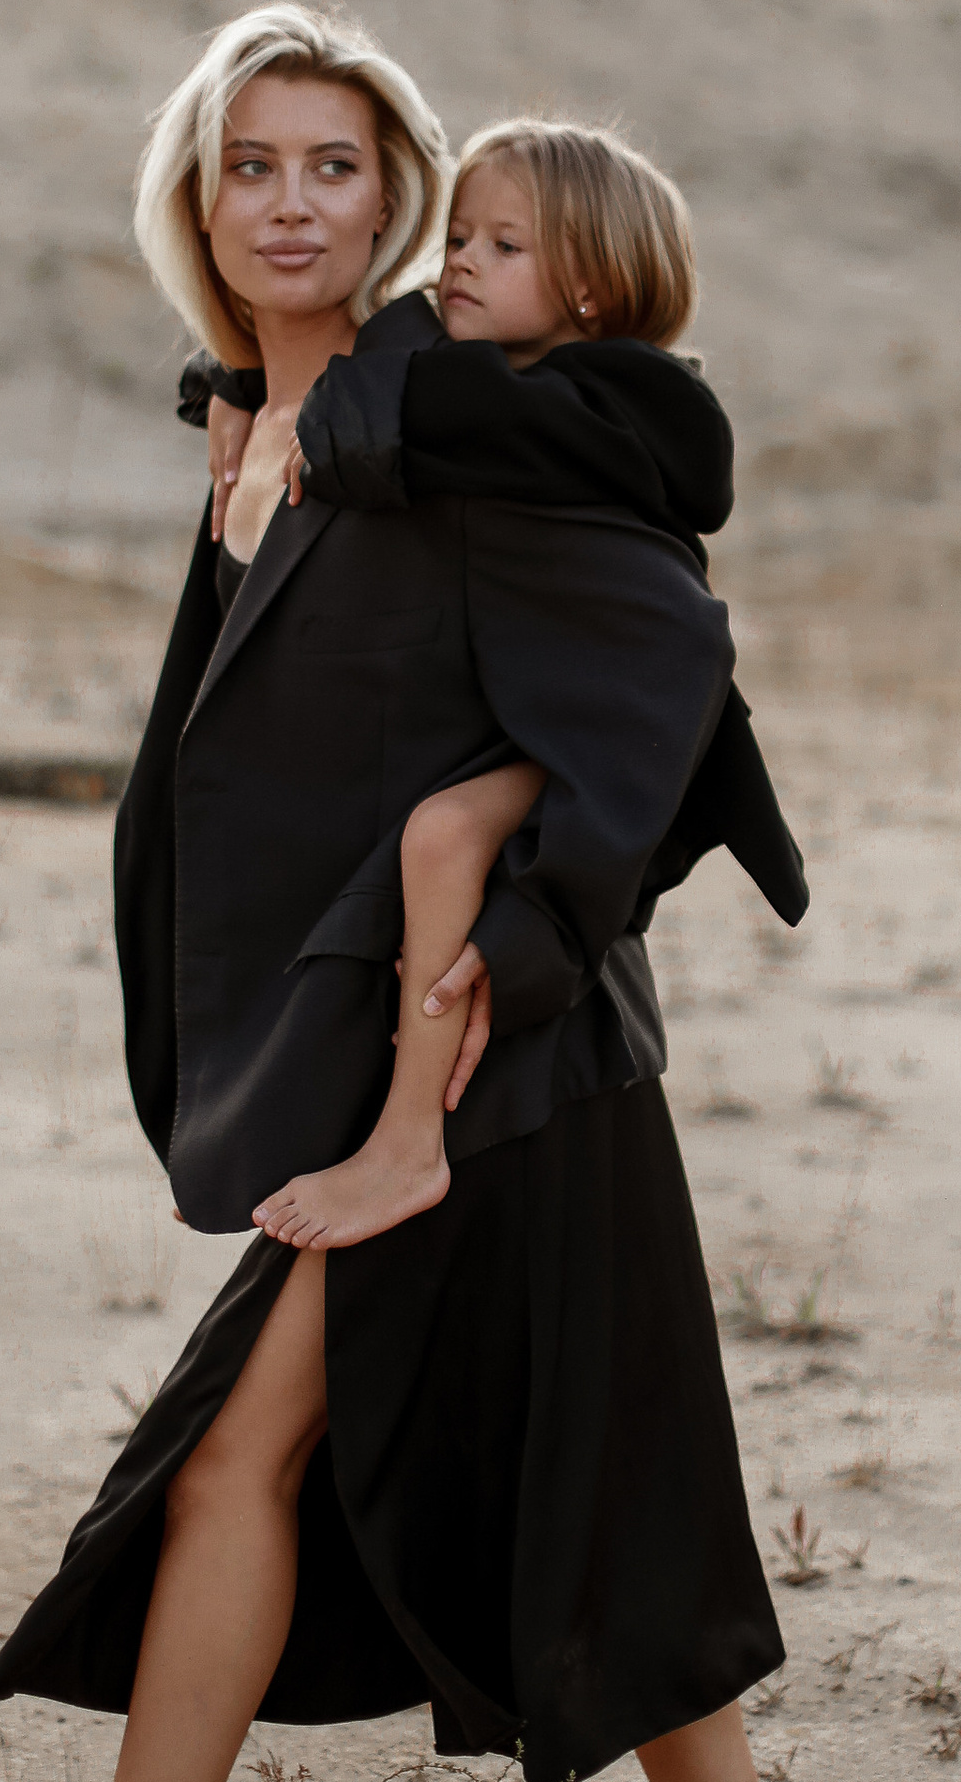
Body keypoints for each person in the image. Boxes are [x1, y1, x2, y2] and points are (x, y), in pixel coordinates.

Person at [0, 6, 809, 1782]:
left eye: (335, 167)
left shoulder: (445, 417)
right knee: (597, 1469)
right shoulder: (255, 437)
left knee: (234, 1462)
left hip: (491, 1058)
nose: (290, 203)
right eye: (250, 164)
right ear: (194, 201)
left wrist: (514, 928)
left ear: (394, 199)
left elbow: (664, 662)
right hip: (423, 1058)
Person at [257, 115, 739, 1258]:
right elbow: (394, 395)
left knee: (442, 837)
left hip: (602, 742)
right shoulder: (518, 404)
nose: (460, 262)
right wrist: (235, 385)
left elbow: (412, 407)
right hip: (549, 721)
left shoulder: (588, 416)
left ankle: (407, 1141)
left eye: (503, 246)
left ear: (593, 288)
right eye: (458, 237)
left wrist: (338, 408)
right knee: (429, 836)